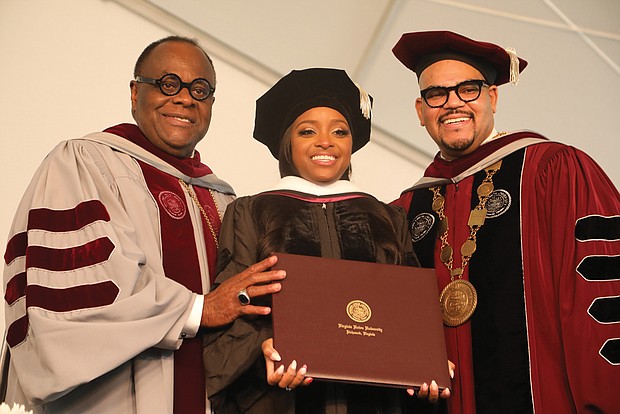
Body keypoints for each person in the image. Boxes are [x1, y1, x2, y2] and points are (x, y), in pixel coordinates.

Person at [1, 36, 286, 414]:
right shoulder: (85, 163)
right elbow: (89, 291)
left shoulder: (223, 200)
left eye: (199, 89)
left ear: (211, 105)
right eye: (168, 83)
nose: (185, 98)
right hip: (110, 398)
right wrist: (198, 310)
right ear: (136, 93)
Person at [390, 30, 620, 413]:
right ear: (420, 110)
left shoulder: (552, 171)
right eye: (436, 94)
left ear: (492, 97)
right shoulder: (405, 208)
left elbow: (601, 299)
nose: (452, 104)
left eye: (468, 89)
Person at [203, 68, 452, 413]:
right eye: (307, 131)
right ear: (287, 143)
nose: (326, 142)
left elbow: (409, 314)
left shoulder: (387, 218)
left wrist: (427, 363)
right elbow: (232, 309)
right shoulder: (251, 212)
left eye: (340, 131)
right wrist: (268, 354)